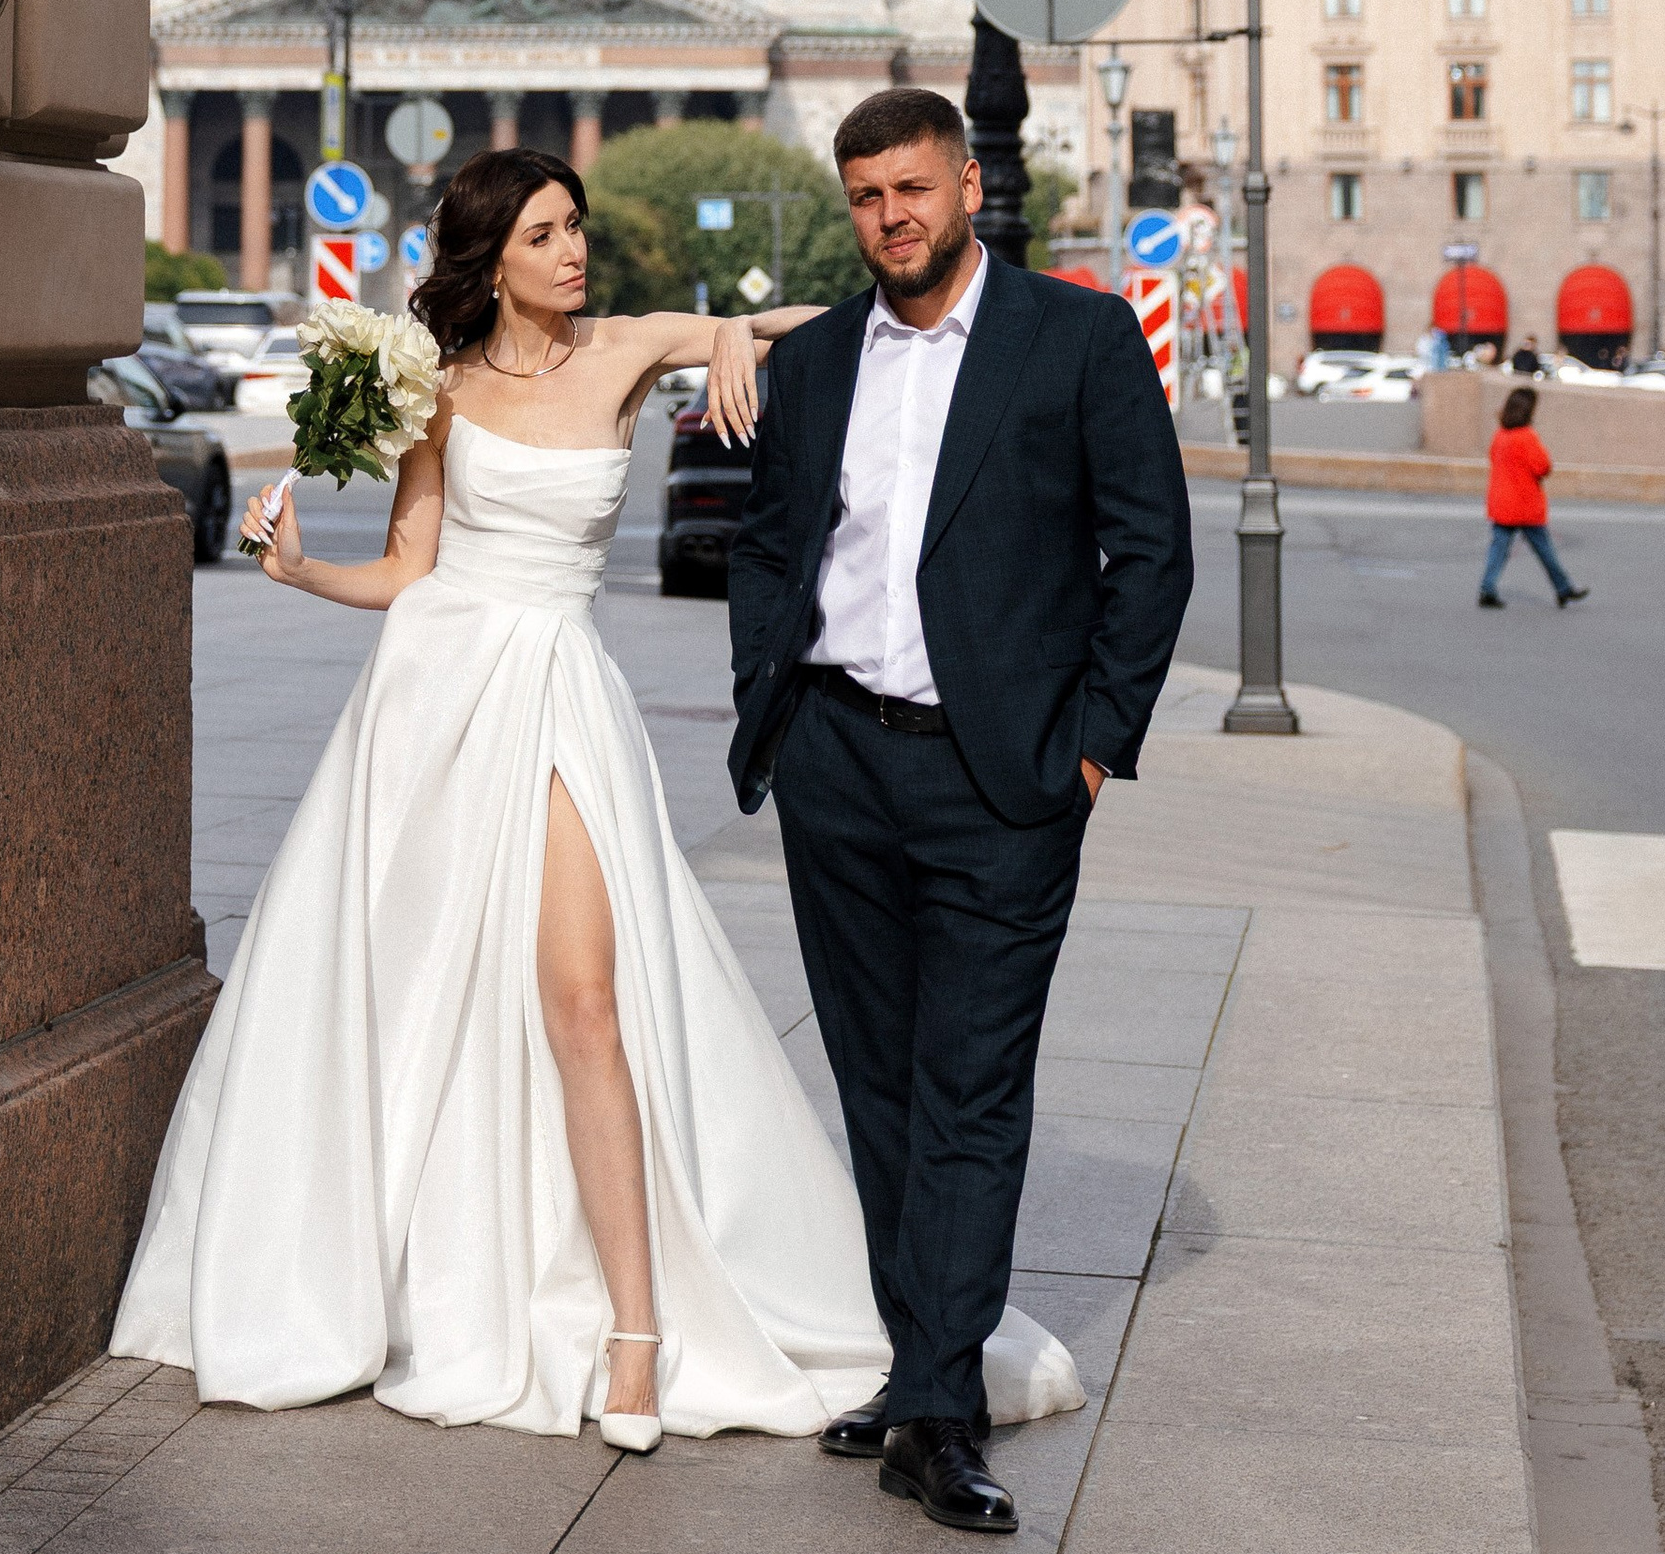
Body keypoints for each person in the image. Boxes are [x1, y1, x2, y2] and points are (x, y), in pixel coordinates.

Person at [109, 146, 1084, 1453]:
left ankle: (636, 1330)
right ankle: (421, 1271)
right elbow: (412, 564)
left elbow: (823, 324)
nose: (575, 251)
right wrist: (296, 572)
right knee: (420, 999)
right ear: (490, 260)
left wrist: (742, 326)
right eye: (546, 235)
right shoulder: (436, 388)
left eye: (575, 226)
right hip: (436, 698)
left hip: (561, 695)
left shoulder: (627, 349)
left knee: (583, 1000)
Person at [728, 87, 1192, 1537]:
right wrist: (776, 699)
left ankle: (940, 1405)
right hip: (839, 765)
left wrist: (1092, 753)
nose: (892, 220)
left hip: (1004, 782)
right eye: (867, 198)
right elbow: (766, 543)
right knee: (879, 1084)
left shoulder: (1078, 340)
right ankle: (918, 1361)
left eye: (913, 191)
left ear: (969, 183)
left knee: (972, 1087)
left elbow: (1153, 554)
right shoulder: (811, 368)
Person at [1481, 387, 1588, 607]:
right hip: (1525, 504)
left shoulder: (1501, 435)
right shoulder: (1527, 436)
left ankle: (1487, 587)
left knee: (1498, 549)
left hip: (1502, 502)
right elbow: (1543, 466)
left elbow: (1493, 459)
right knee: (1545, 550)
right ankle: (1563, 587)